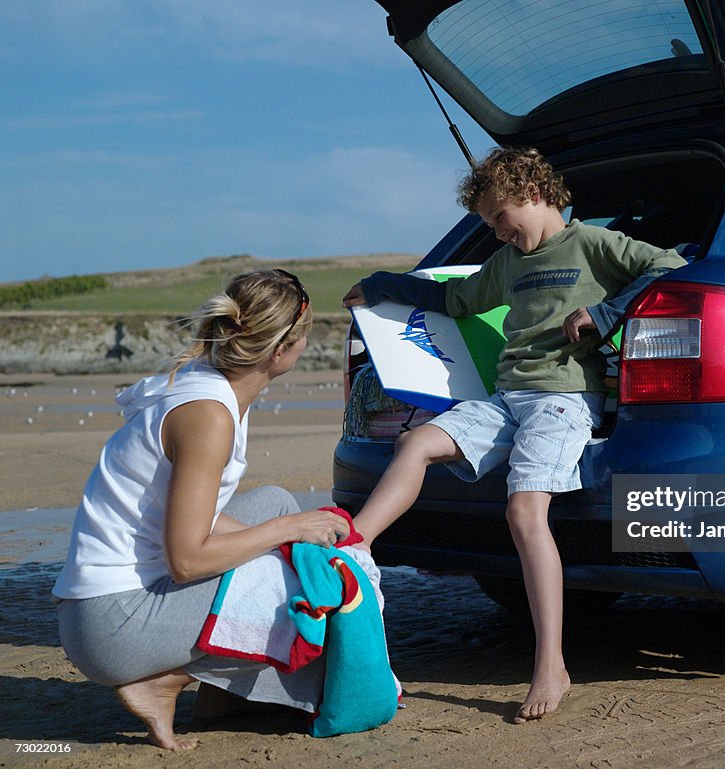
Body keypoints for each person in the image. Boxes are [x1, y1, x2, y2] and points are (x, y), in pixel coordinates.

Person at [342, 147, 686, 723]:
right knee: (416, 443)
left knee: (525, 512)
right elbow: (455, 299)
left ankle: (551, 662)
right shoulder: (507, 264)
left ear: (535, 194)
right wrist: (382, 284)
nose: (498, 232)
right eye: (488, 224)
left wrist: (606, 315)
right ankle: (354, 546)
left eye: (500, 217)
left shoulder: (591, 245)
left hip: (565, 399)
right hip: (506, 399)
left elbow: (671, 265)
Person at [52, 269, 351, 751]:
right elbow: (187, 560)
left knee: (279, 513)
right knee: (296, 579)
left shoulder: (210, 385)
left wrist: (288, 533)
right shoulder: (209, 415)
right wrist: (289, 529)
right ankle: (163, 682)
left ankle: (219, 696)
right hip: (114, 624)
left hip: (107, 610)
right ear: (281, 350)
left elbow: (201, 525)